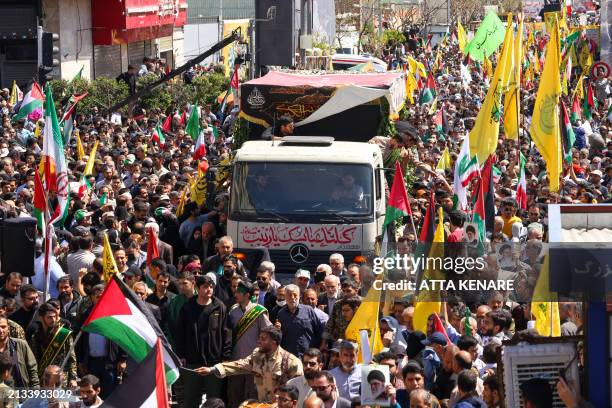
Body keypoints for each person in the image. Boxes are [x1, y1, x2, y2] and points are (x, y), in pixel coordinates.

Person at [196, 326, 303, 403]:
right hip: (262, 405)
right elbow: (239, 365)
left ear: (274, 342)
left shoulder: (291, 362)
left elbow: (299, 392)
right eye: (259, 338)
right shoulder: (257, 355)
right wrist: (212, 369)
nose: (258, 341)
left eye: (263, 339)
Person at [175, 275, 231, 407]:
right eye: (205, 287)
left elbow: (226, 333)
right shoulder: (187, 308)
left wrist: (225, 357)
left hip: (214, 363)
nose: (209, 289)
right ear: (197, 288)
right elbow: (180, 333)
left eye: (211, 287)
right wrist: (181, 354)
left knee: (214, 401)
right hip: (192, 362)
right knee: (191, 399)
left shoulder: (220, 307)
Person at [226, 280, 272, 408]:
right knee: (234, 395)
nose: (236, 294)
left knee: (252, 397)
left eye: (239, 292)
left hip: (254, 362)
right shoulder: (232, 311)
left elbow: (268, 334)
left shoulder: (259, 311)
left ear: (247, 295)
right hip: (235, 361)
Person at [27, 303, 77, 387]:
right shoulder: (35, 336)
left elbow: (72, 358)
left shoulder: (63, 334)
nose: (53, 320)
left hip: (61, 379)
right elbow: (33, 361)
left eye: (55, 316)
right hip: (42, 379)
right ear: (41, 318)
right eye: (49, 317)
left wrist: (73, 378)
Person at [275, 284, 324, 359]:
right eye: (289, 295)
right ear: (285, 297)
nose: (292, 298)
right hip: (289, 357)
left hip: (308, 356)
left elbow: (320, 331)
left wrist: (319, 350)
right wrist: (277, 329)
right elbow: (278, 336)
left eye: (295, 295)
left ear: (299, 296)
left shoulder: (308, 310)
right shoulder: (281, 314)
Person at [0, 316, 38, 388]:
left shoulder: (21, 345)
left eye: (3, 327)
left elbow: (32, 370)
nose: (1, 330)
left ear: (8, 328)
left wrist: (35, 391)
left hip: (22, 394)